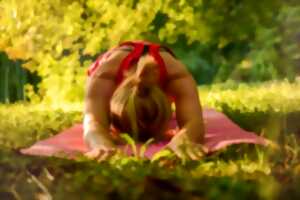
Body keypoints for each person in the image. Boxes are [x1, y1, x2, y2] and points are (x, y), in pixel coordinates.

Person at [83, 41, 207, 161]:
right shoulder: (104, 75)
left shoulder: (176, 75)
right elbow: (92, 123)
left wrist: (184, 139)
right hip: (114, 63)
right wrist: (100, 143)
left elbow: (195, 123)